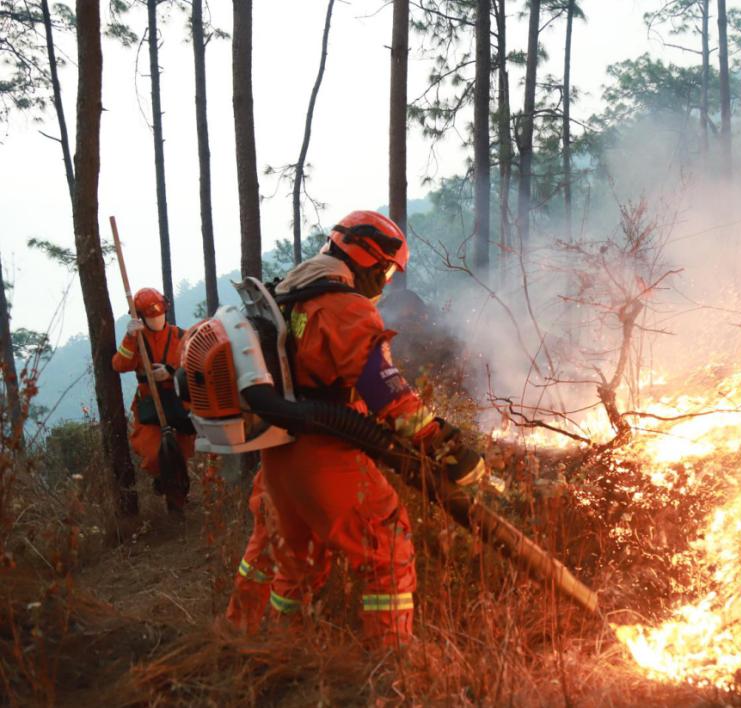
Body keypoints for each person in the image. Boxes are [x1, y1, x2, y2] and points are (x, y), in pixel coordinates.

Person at [225, 210, 485, 644]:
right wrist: (443, 443)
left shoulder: (290, 293)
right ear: (370, 260)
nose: (385, 281)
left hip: (279, 453)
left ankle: (256, 643)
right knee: (388, 547)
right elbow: (384, 390)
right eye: (387, 271)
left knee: (288, 555)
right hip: (324, 453)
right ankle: (390, 662)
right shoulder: (345, 306)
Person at [111, 287, 195, 512]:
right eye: (151, 315)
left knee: (181, 453)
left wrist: (171, 372)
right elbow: (120, 364)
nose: (158, 318)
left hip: (178, 400)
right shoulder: (136, 339)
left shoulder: (180, 336)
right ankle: (162, 480)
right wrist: (130, 337)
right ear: (140, 317)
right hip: (150, 403)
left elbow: (195, 365)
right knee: (153, 454)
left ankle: (179, 503)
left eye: (160, 313)